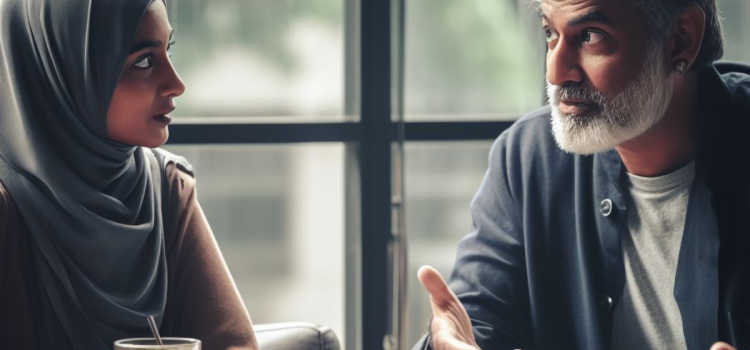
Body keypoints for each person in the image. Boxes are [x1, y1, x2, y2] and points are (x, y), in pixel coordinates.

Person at [412, 0, 750, 349]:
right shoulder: (528, 160)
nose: (555, 73)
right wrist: (444, 342)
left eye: (590, 36)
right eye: (550, 34)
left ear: (680, 39)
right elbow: (472, 326)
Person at [0, 0, 258, 349]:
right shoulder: (7, 206)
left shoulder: (166, 186)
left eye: (168, 51)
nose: (176, 84)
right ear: (64, 72)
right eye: (144, 61)